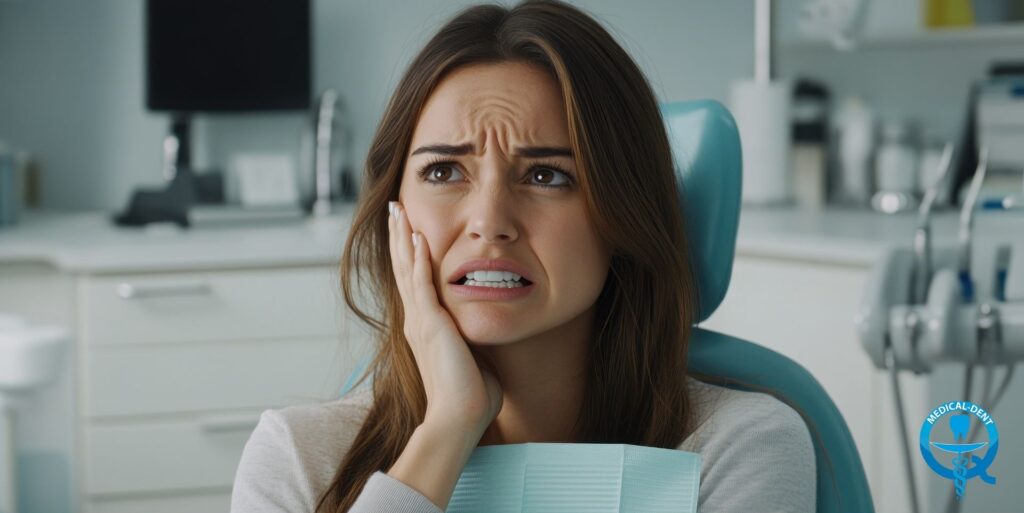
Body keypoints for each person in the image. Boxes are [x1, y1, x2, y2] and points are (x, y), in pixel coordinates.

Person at [230, 1, 816, 512]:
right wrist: (450, 426)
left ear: (623, 214)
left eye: (545, 175)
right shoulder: (298, 460)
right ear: (395, 211)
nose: (489, 222)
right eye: (443, 170)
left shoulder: (740, 446)